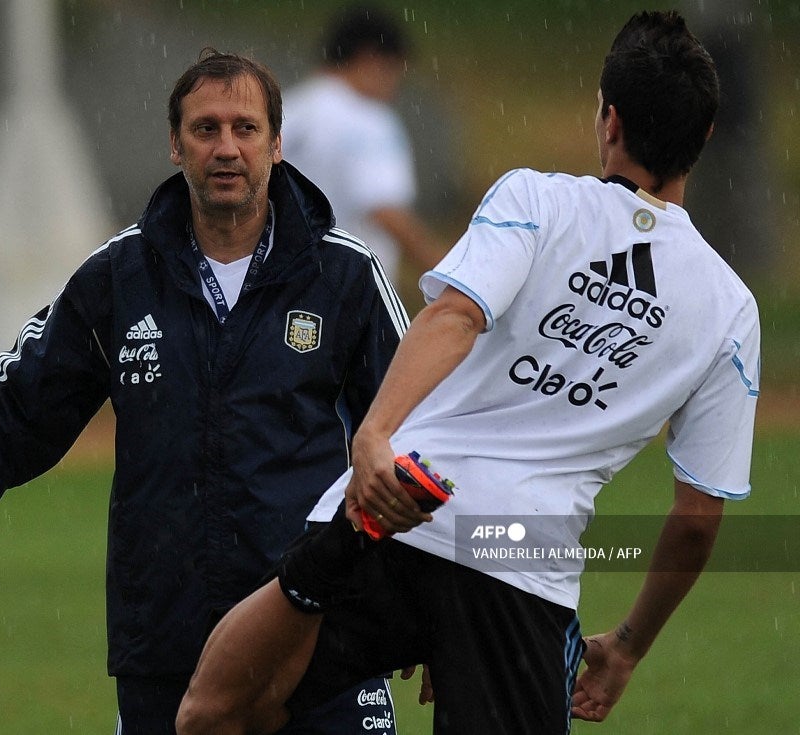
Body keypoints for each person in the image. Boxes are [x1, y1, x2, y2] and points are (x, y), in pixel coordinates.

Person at [177, 11, 760, 735]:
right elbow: (698, 516)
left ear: (608, 121)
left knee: (215, 713)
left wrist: (375, 436)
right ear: (704, 137)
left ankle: (322, 567)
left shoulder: (535, 199)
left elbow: (454, 316)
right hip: (518, 555)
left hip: (394, 503)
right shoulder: (730, 308)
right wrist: (628, 646)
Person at [0, 49, 410, 734]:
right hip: (168, 632)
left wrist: (437, 606)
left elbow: (425, 430)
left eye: (245, 128)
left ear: (277, 144)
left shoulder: (344, 274)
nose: (226, 148)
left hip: (320, 624)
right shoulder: (119, 275)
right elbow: (22, 397)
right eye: (205, 129)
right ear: (175, 145)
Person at [281, 4, 443, 286]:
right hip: (347, 290)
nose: (395, 86)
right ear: (371, 58)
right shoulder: (368, 118)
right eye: (394, 71)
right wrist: (450, 271)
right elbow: (385, 209)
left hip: (282, 283)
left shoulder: (287, 108)